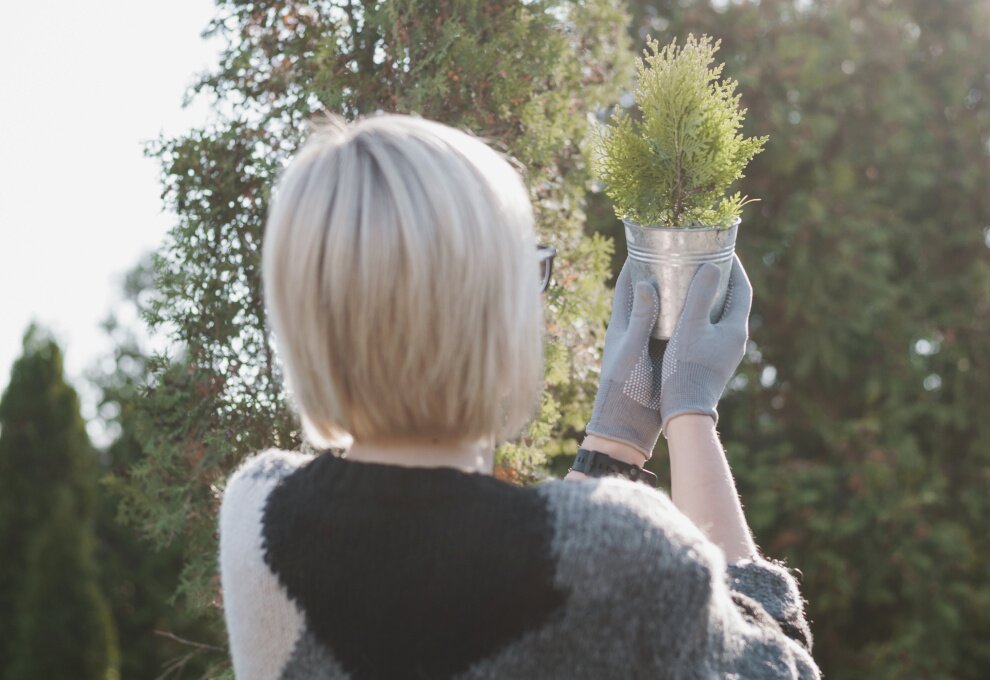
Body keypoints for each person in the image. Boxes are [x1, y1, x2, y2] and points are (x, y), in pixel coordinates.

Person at [218, 110, 821, 680]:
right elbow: (773, 660)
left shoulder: (259, 518)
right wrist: (690, 413)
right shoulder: (630, 551)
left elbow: (517, 577)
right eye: (528, 270)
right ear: (490, 312)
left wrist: (615, 439)